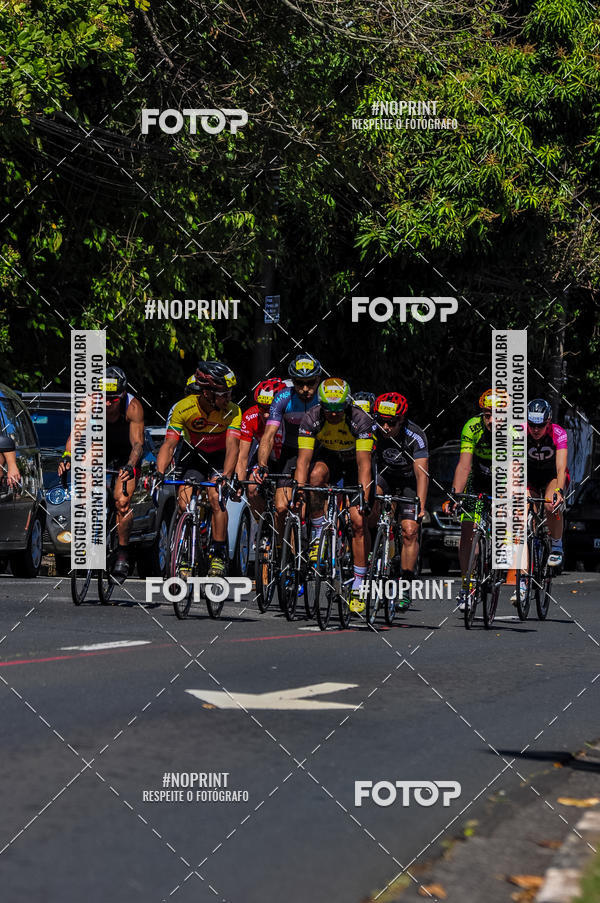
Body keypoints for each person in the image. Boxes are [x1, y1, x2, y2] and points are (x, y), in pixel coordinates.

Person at [58, 365, 145, 582]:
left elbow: (137, 445)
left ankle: (123, 552)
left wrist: (130, 465)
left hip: (127, 452)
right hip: (100, 446)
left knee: (122, 502)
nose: (107, 403)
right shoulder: (91, 402)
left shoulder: (133, 407)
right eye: (103, 397)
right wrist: (67, 456)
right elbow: (76, 434)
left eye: (113, 399)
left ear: (122, 395)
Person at [295, 377, 374, 613]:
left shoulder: (360, 419)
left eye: (338, 409)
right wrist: (299, 491)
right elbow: (303, 460)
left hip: (354, 463)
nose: (332, 414)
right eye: (327, 409)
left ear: (347, 405)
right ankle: (319, 531)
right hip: (330, 457)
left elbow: (364, 467)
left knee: (359, 522)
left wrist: (363, 500)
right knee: (315, 476)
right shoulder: (312, 417)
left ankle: (359, 585)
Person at [155, 360, 241, 577]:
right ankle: (185, 552)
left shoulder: (233, 411)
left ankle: (219, 554)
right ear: (207, 393)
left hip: (220, 457)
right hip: (194, 455)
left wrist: (226, 476)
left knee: (215, 496)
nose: (229, 397)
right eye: (223, 393)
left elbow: (232, 448)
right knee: (184, 502)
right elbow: (169, 444)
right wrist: (160, 471)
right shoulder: (184, 408)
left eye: (230, 392)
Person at [369, 392, 429, 610]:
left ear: (401, 420)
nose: (385, 426)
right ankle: (372, 551)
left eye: (391, 423)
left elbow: (422, 474)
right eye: (381, 421)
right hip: (383, 477)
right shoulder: (372, 430)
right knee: (369, 501)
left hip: (408, 481)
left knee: (410, 530)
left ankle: (404, 585)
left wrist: (420, 504)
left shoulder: (416, 435)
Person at [254, 354, 321, 536]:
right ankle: (281, 549)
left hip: (319, 452)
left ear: (318, 380)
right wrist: (262, 465)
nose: (305, 389)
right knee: (281, 507)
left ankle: (316, 535)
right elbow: (268, 436)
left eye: (310, 382)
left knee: (311, 498)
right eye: (299, 383)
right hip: (291, 452)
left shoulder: (324, 398)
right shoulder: (283, 397)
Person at [447, 389, 499, 611]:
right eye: (487, 414)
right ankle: (467, 585)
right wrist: (455, 495)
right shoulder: (472, 426)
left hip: (503, 476)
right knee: (467, 532)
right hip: (477, 477)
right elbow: (464, 465)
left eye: (497, 414)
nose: (491, 420)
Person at [526, 398, 569, 568]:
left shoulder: (559, 433)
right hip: (530, 475)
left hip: (551, 475)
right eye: (532, 425)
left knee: (551, 504)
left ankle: (557, 545)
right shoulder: (519, 431)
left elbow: (561, 467)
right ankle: (531, 543)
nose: (535, 429)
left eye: (541, 425)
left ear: (548, 422)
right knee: (524, 509)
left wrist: (559, 490)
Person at [236, 378, 286, 521]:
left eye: (270, 409)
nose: (265, 415)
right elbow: (242, 456)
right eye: (262, 408)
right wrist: (240, 483)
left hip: (287, 458)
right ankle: (263, 526)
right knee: (251, 488)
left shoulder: (289, 416)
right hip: (265, 458)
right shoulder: (250, 416)